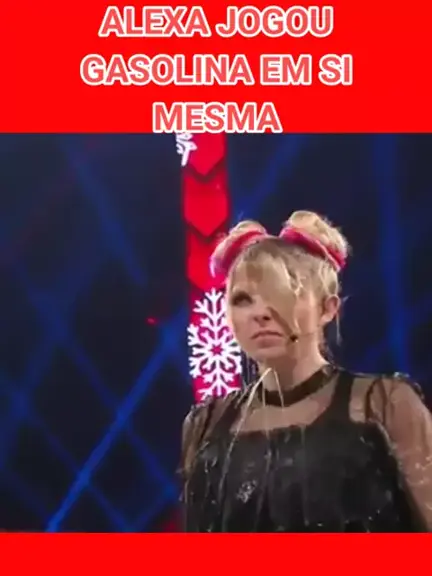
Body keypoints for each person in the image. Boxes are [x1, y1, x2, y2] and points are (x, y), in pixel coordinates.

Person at [180, 210, 432, 532]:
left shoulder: (384, 405)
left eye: (283, 294)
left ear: (328, 308)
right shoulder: (205, 425)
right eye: (243, 299)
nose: (261, 313)